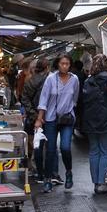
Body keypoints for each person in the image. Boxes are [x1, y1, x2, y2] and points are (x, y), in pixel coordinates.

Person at [34, 54, 80, 193]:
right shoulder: (50, 79)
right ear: (57, 64)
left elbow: (75, 98)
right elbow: (43, 99)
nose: (64, 66)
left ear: (70, 65)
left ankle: (68, 172)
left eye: (67, 63)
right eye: (62, 63)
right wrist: (39, 119)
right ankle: (48, 178)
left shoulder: (75, 79)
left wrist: (69, 110)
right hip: (51, 118)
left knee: (65, 147)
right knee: (50, 150)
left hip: (67, 119)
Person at [79, 54, 107, 194]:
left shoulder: (87, 81)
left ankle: (96, 182)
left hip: (90, 120)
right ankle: (103, 183)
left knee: (94, 151)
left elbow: (83, 102)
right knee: (106, 152)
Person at [21, 59, 49, 179]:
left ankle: (36, 169)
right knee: (48, 144)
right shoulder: (50, 80)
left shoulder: (29, 81)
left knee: (36, 143)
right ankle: (47, 170)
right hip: (48, 116)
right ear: (47, 68)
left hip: (34, 117)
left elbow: (25, 100)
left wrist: (34, 115)